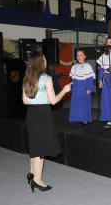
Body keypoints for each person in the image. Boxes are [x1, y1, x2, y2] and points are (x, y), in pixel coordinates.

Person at [22, 52, 72, 192]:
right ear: (40, 62)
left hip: (31, 114)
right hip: (43, 115)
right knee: (40, 149)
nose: (46, 61)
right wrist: (64, 90)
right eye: (44, 59)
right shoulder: (46, 78)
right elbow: (53, 101)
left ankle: (31, 173)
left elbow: (25, 101)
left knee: (34, 145)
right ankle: (37, 180)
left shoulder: (27, 79)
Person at [69, 50, 95, 125]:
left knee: (84, 104)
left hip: (84, 87)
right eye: (77, 55)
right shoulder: (74, 66)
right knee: (77, 103)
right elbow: (73, 79)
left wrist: (89, 89)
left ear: (84, 56)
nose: (79, 57)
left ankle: (84, 119)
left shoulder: (88, 66)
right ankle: (77, 117)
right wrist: (72, 87)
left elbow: (90, 79)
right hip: (76, 88)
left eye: (81, 55)